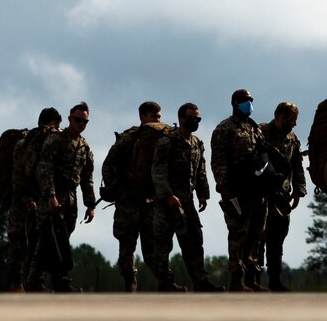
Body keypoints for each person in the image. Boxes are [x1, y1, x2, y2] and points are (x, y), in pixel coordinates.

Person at [152, 102, 222, 293]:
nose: (195, 121)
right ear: (181, 118)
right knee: (163, 246)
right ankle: (165, 284)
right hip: (167, 203)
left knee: (194, 243)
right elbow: (158, 172)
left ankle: (201, 282)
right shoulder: (167, 142)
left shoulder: (197, 144)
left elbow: (200, 171)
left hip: (188, 201)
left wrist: (203, 194)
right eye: (192, 118)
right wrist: (168, 196)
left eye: (198, 119)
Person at [28, 103, 97, 292]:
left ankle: (59, 282)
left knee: (62, 241)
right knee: (46, 240)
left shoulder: (84, 147)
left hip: (71, 199)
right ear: (69, 119)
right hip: (51, 197)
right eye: (78, 120)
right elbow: (45, 168)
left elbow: (87, 178)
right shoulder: (56, 140)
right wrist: (50, 195)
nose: (81, 124)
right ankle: (37, 281)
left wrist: (90, 205)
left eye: (85, 121)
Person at [211, 89, 267, 291]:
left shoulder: (254, 128)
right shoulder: (224, 129)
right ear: (235, 103)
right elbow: (218, 160)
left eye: (251, 100)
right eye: (245, 100)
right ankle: (237, 280)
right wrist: (223, 187)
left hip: (256, 191)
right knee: (238, 235)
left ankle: (251, 278)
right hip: (235, 191)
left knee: (256, 235)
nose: (249, 104)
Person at [113, 100, 173, 291]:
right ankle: (129, 282)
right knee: (127, 246)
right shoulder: (129, 139)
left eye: (159, 117)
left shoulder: (163, 139)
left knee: (153, 247)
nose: (157, 120)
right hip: (128, 203)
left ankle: (165, 283)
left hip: (150, 202)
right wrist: (121, 192)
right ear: (142, 117)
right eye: (153, 117)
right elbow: (109, 167)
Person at [9, 108, 60, 292]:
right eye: (55, 125)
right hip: (25, 200)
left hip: (32, 200)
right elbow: (19, 174)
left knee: (34, 243)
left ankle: (30, 284)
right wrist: (27, 198)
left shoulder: (28, 143)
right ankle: (18, 285)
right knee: (21, 243)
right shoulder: (27, 144)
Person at [258, 102, 306, 292]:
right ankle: (253, 279)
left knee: (277, 239)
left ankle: (274, 280)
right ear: (281, 117)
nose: (294, 125)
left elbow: (297, 165)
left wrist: (298, 190)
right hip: (261, 195)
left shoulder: (292, 139)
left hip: (282, 198)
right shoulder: (260, 132)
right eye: (292, 120)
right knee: (258, 238)